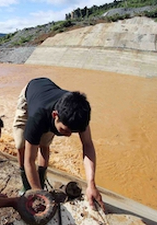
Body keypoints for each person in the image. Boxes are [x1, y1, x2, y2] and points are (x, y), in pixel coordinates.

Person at [12, 77, 104, 210]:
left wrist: (91, 184)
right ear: (55, 115)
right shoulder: (37, 117)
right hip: (30, 95)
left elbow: (88, 145)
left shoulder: (79, 114)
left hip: (49, 97)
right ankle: (27, 185)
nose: (68, 135)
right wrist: (39, 195)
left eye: (73, 132)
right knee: (21, 144)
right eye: (65, 131)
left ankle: (41, 179)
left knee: (44, 144)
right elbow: (30, 160)